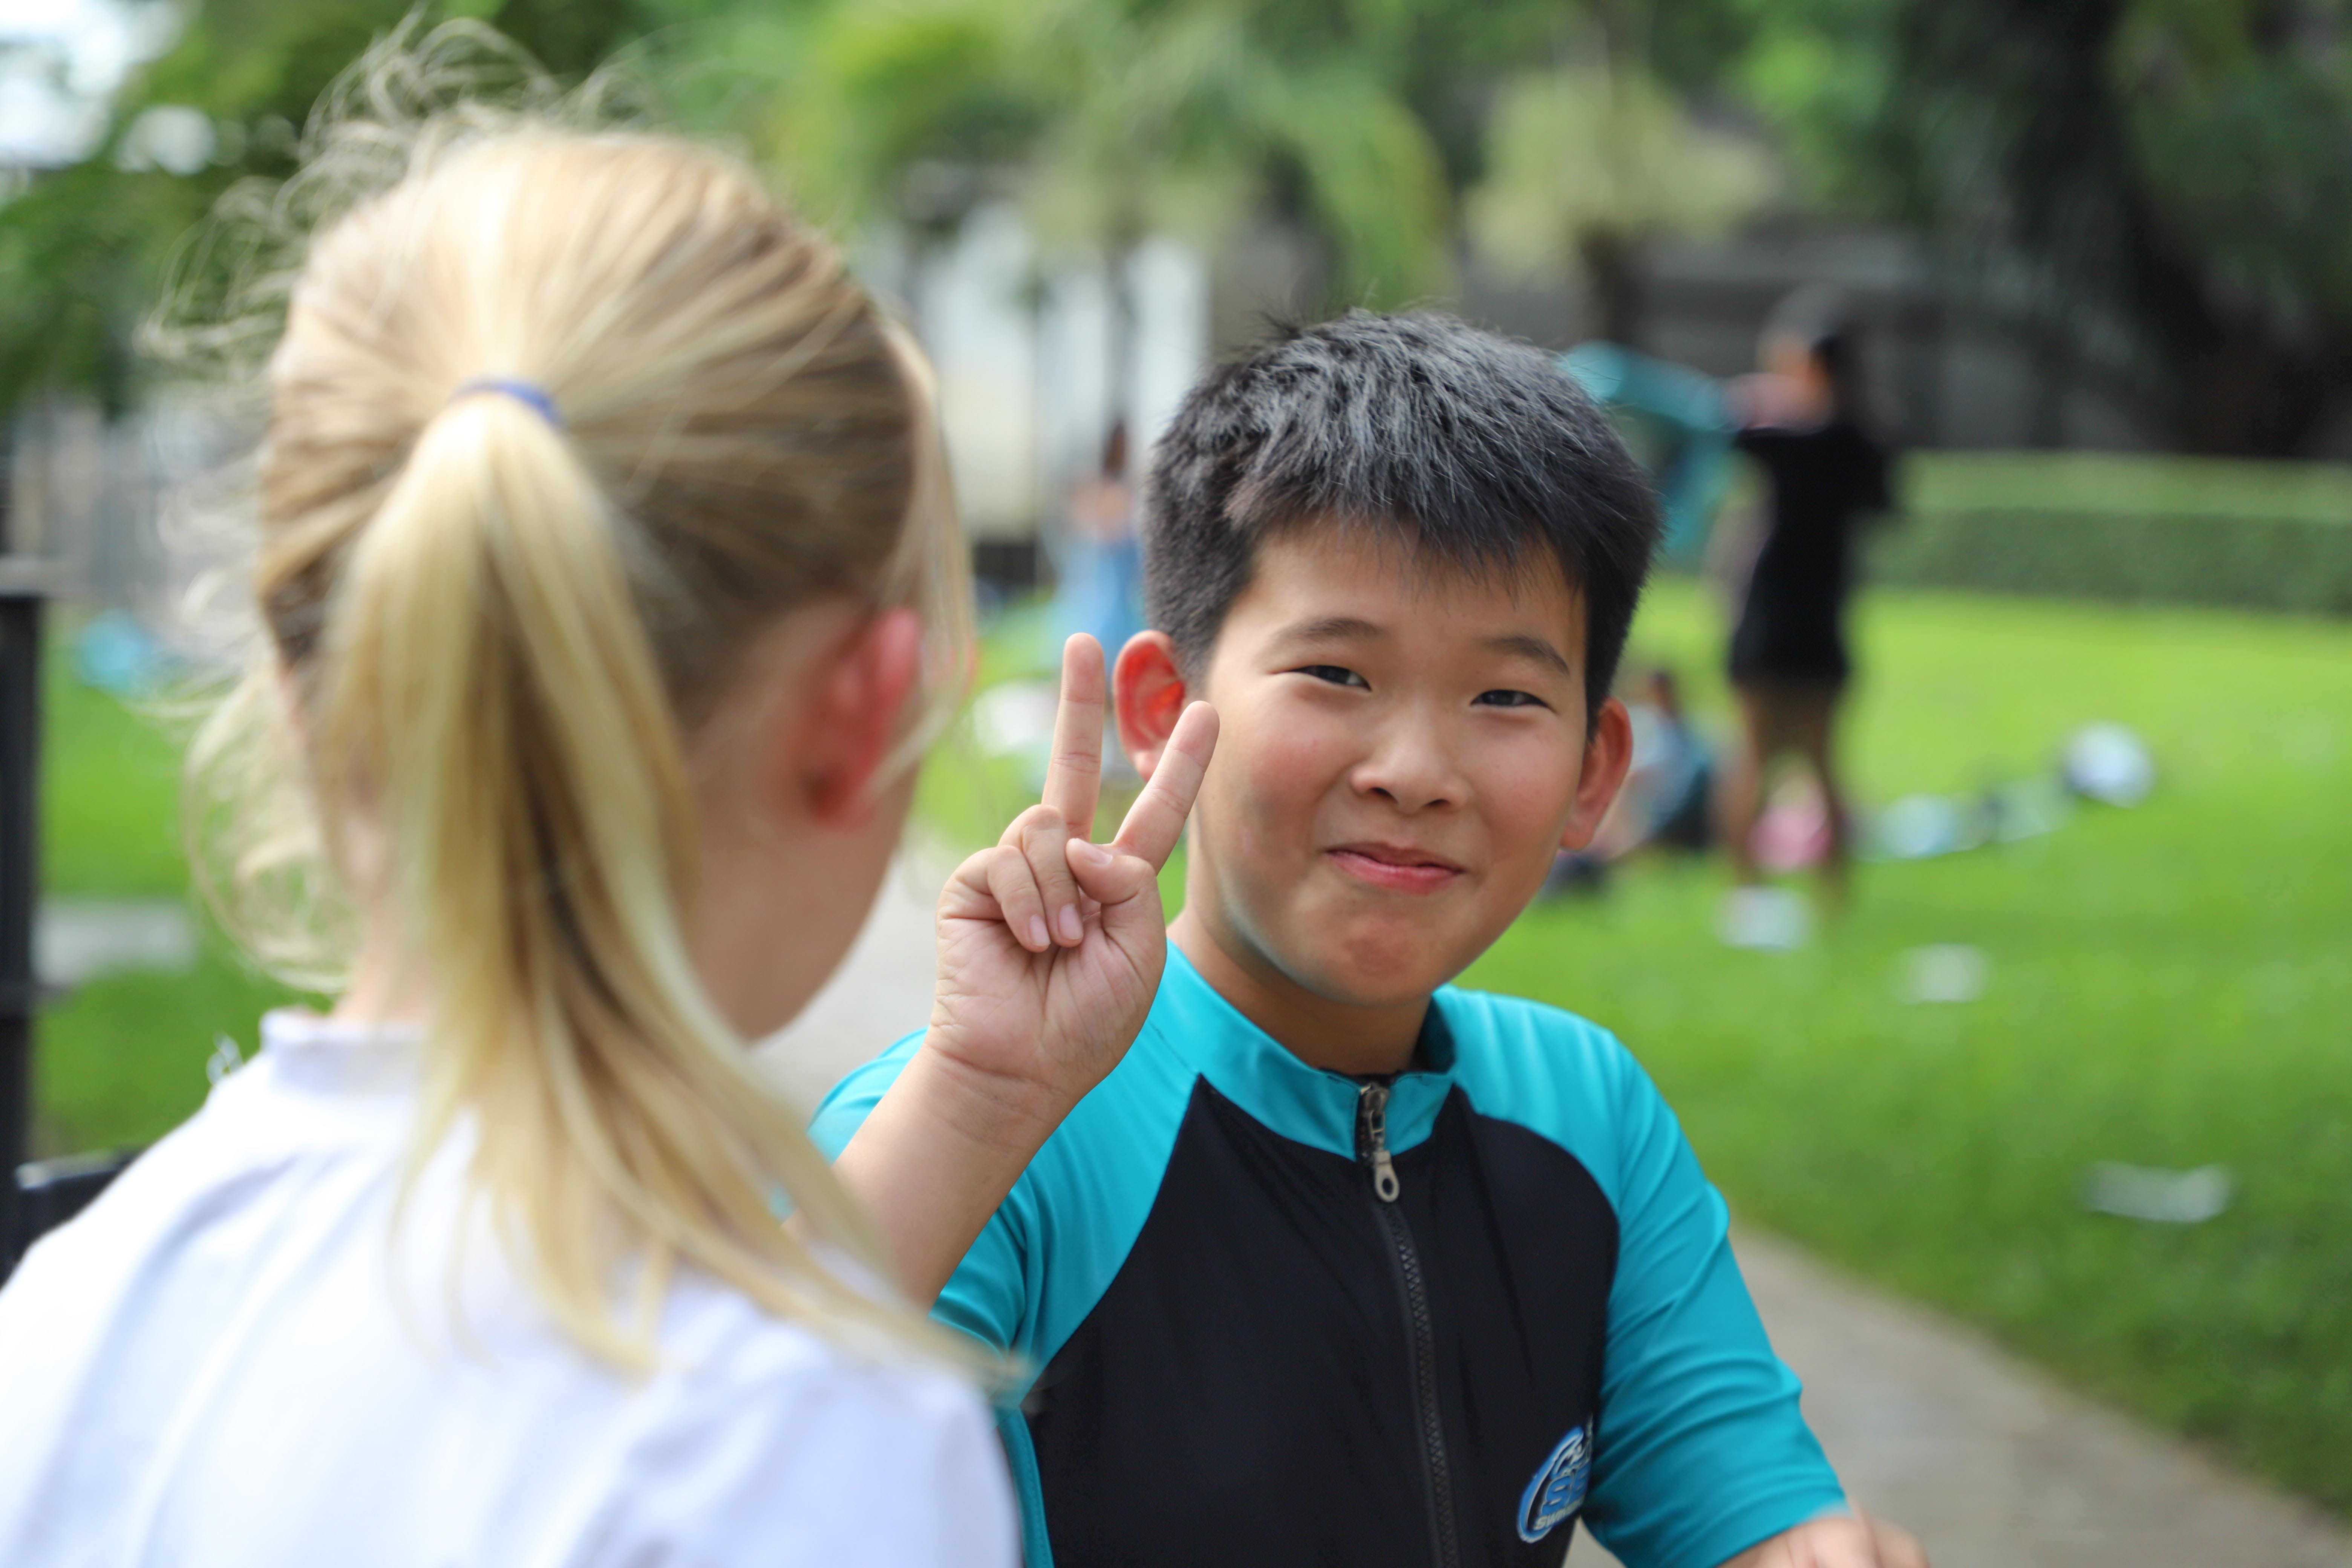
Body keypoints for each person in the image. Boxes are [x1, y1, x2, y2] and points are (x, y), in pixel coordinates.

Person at [0, 64, 1217, 1568]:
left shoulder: (76, 1301)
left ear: (306, 684)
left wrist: (975, 1092)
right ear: (858, 714)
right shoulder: (812, 1436)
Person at [815, 313, 1926, 1568]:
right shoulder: (979, 1134)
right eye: (1338, 674)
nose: (1414, 771)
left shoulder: (1587, 1118)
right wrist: (972, 1109)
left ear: (1594, 773)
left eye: (1506, 696)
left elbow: (1761, 1510)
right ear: (1163, 710)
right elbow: (725, 1457)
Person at [1717, 289, 1894, 936]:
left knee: (1753, 755)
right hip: (1823, 615)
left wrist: (1766, 403)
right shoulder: (1863, 441)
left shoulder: (1785, 437)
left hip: (1769, 614)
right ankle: (1833, 899)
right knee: (1823, 761)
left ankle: (1743, 894)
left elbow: (1730, 429)